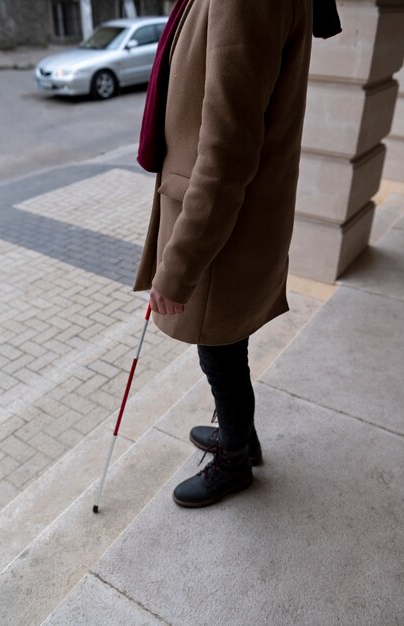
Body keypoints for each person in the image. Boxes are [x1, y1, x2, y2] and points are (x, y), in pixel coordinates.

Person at [134, 0, 341, 508]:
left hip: (222, 224)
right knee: (227, 346)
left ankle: (236, 460)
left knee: (220, 351)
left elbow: (227, 148)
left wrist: (178, 266)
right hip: (231, 216)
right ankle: (239, 436)